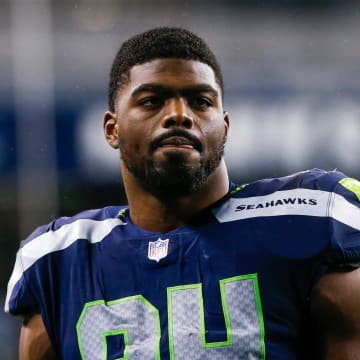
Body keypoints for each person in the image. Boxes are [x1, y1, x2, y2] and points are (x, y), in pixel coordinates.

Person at [5, 27, 360, 360]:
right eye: (152, 101)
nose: (179, 115)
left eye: (200, 101)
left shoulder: (308, 219)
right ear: (112, 129)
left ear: (225, 125)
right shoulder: (60, 261)